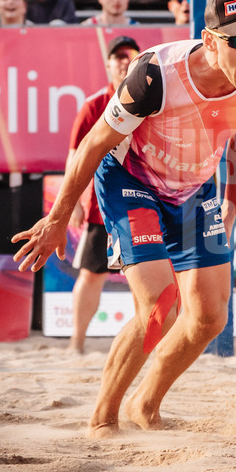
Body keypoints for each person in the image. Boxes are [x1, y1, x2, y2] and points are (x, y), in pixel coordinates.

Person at [12, 0, 236, 437]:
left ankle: (145, 406)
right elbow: (94, 144)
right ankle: (103, 418)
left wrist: (231, 204)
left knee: (211, 317)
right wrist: (59, 217)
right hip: (130, 180)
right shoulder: (156, 73)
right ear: (210, 42)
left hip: (194, 187)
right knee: (159, 307)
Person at [65, 34, 141, 353]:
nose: (124, 61)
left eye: (130, 55)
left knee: (144, 279)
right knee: (92, 275)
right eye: (118, 56)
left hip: (141, 202)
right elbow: (75, 156)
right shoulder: (94, 104)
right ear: (108, 63)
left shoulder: (151, 100)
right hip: (101, 205)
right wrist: (73, 204)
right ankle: (76, 343)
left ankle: (144, 344)